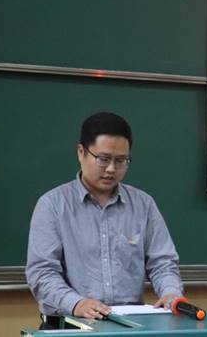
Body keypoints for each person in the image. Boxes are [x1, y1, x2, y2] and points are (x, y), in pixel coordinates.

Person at [26, 112, 183, 326]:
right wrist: (76, 303)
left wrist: (170, 293)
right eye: (103, 159)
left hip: (129, 324)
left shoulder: (143, 204)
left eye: (121, 161)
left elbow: (162, 263)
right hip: (70, 324)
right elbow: (42, 272)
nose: (111, 169)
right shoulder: (52, 205)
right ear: (81, 152)